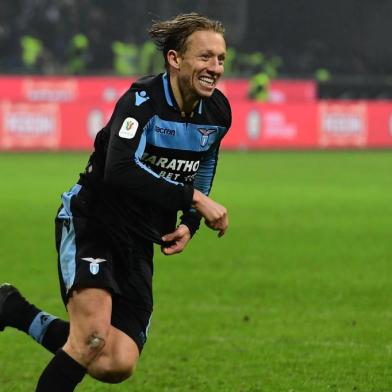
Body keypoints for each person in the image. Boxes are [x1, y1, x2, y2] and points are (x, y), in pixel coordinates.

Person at [0, 12, 230, 391]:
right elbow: (119, 169)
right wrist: (193, 198)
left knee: (116, 362)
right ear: (175, 59)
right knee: (90, 337)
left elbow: (203, 167)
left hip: (140, 236)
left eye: (221, 59)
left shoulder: (218, 112)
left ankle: (15, 311)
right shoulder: (142, 102)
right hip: (96, 221)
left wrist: (189, 221)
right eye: (205, 57)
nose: (215, 67)